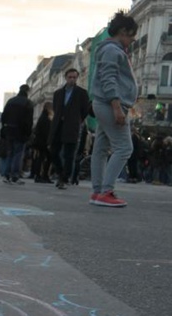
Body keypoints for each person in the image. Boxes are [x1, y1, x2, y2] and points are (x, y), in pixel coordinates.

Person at [89, 11, 139, 207]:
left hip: (104, 103)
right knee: (124, 148)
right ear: (123, 31)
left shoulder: (109, 49)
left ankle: (97, 191)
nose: (134, 39)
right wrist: (117, 106)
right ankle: (106, 191)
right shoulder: (113, 50)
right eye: (132, 34)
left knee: (101, 149)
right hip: (110, 104)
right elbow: (109, 79)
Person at [49, 68, 89, 190]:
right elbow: (56, 108)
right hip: (58, 125)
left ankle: (64, 178)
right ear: (66, 77)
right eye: (70, 77)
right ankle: (61, 173)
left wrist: (77, 120)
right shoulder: (58, 93)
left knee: (69, 154)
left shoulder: (82, 93)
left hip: (72, 126)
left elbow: (85, 110)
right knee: (53, 152)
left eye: (74, 77)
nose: (72, 79)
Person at [0, 84, 34, 184]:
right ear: (28, 91)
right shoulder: (28, 103)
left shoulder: (10, 101)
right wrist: (28, 133)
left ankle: (6, 175)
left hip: (9, 130)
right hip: (21, 131)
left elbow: (4, 116)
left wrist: (5, 127)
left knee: (10, 153)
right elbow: (29, 120)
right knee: (18, 154)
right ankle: (14, 175)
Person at [31, 102, 54, 183]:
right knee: (45, 159)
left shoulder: (42, 117)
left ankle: (40, 175)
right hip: (44, 142)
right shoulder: (47, 118)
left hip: (40, 141)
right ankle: (42, 175)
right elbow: (47, 131)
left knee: (41, 158)